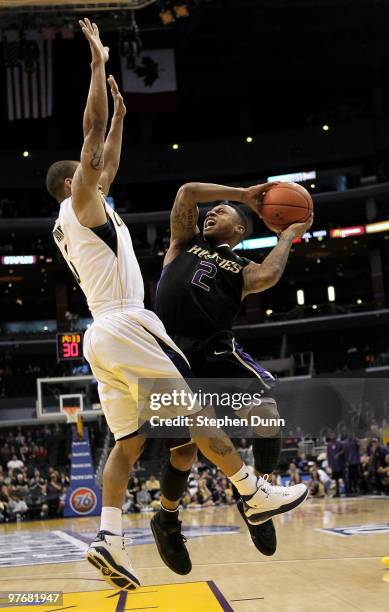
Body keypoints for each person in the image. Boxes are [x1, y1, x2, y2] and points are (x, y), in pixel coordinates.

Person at [46, 19, 308, 591]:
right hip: (126, 323)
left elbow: (104, 150)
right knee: (193, 414)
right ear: (73, 183)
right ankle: (251, 490)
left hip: (101, 336)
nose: (100, 169)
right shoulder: (83, 204)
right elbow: (91, 139)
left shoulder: (81, 218)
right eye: (89, 169)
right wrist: (96, 65)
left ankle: (109, 540)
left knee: (129, 441)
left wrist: (121, 119)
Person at [151, 181, 312, 573]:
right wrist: (241, 195)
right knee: (184, 450)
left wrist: (289, 234)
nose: (212, 213)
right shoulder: (183, 241)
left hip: (216, 348)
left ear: (240, 230)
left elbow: (271, 273)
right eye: (213, 210)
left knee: (267, 414)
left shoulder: (243, 269)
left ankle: (259, 498)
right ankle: (167, 520)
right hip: (168, 352)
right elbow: (187, 192)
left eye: (222, 212)